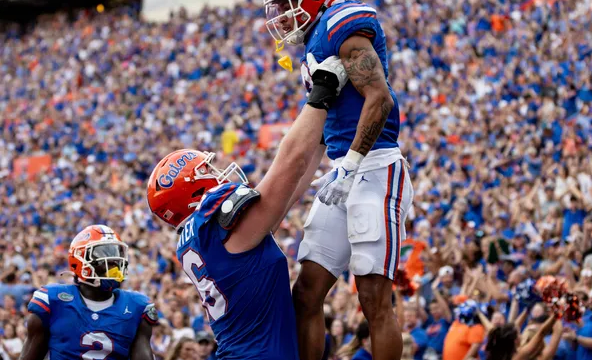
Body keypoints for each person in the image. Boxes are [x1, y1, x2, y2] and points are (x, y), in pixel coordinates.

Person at [146, 55, 348, 360]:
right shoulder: (216, 224)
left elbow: (290, 190)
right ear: (190, 192)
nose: (217, 173)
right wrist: (322, 90)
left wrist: (321, 135)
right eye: (206, 171)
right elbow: (289, 166)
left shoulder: (208, 236)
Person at [264, 0, 414, 360]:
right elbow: (315, 141)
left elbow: (379, 98)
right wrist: (277, 208)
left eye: (287, 2)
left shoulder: (342, 24)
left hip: (376, 166)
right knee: (306, 292)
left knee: (372, 298)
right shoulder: (316, 44)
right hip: (341, 171)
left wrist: (349, 162)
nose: (282, 15)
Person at [19, 225, 156, 360]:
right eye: (105, 254)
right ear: (79, 261)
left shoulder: (137, 307)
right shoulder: (52, 301)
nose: (114, 261)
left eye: (116, 253)